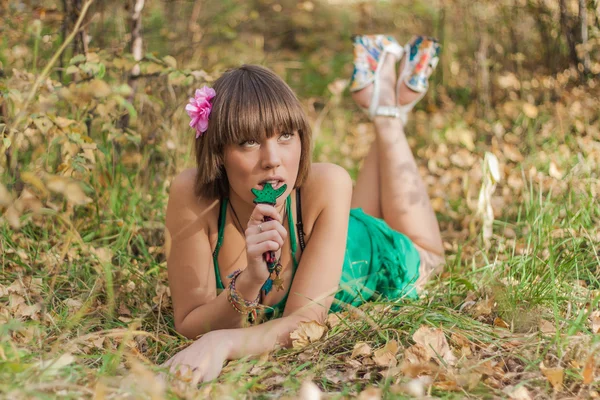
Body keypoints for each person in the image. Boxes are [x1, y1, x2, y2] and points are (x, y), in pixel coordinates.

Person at [163, 35, 445, 383]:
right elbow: (189, 321)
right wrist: (250, 279)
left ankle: (387, 113)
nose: (273, 161)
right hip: (327, 232)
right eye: (249, 141)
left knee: (433, 258)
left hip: (374, 252)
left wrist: (223, 342)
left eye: (285, 137)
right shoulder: (193, 196)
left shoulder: (328, 183)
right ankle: (385, 98)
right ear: (218, 152)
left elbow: (305, 324)